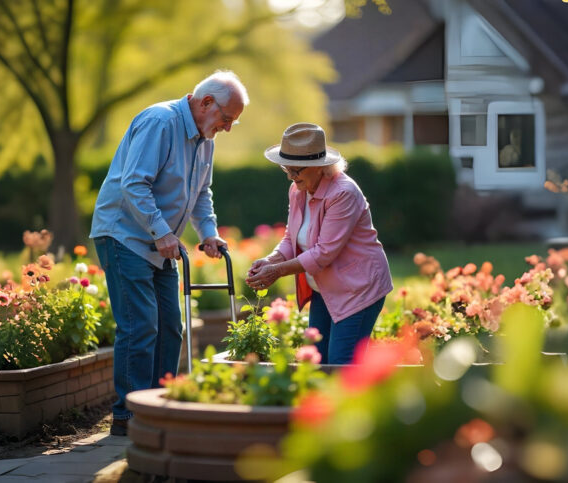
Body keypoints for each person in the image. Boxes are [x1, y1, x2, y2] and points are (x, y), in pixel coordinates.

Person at [90, 70, 247, 436]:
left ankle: (159, 406)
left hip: (161, 244)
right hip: (125, 235)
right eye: (227, 119)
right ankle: (129, 415)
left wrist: (208, 233)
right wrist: (162, 232)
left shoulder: (205, 139)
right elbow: (134, 183)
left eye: (232, 123)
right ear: (207, 103)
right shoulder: (159, 121)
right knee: (140, 324)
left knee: (171, 328)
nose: (227, 128)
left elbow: (201, 192)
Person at [245, 123, 392, 365]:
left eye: (296, 169)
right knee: (318, 361)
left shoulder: (343, 193)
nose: (291, 175)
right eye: (286, 168)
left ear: (319, 167)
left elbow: (323, 253)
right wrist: (271, 260)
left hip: (358, 288)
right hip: (324, 288)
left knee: (340, 364)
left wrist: (277, 272)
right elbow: (292, 237)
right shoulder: (298, 189)